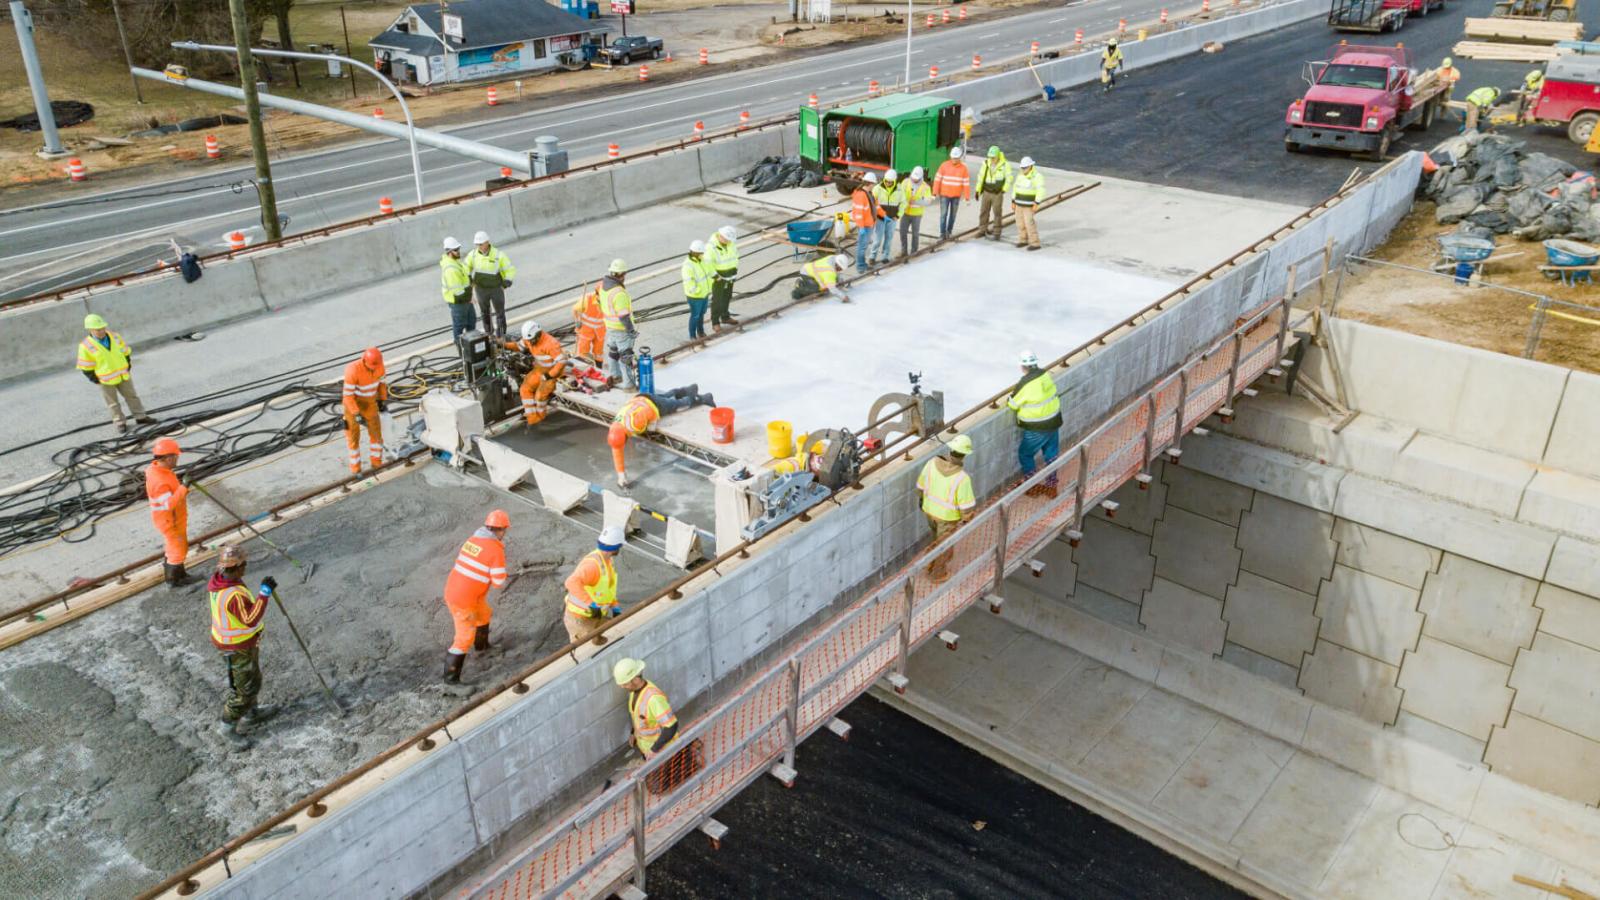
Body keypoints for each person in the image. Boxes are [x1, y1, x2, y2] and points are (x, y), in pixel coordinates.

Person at [208, 543, 277, 750]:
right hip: (237, 647)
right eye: (243, 564)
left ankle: (251, 712)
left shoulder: (221, 582)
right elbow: (250, 618)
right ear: (235, 567)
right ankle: (226, 728)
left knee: (253, 679)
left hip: (239, 643)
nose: (245, 568)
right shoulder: (233, 594)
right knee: (244, 690)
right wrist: (264, 594)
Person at [442, 510, 511, 687]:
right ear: (501, 530)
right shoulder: (495, 550)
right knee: (464, 637)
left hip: (461, 591)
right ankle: (450, 682)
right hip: (463, 600)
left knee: (484, 613)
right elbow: (498, 582)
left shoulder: (472, 540)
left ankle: (482, 648)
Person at [609, 387, 714, 488]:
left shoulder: (633, 424)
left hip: (654, 405)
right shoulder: (615, 428)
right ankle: (687, 390)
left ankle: (704, 398)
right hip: (641, 398)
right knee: (666, 397)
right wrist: (621, 475)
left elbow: (649, 412)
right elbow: (617, 451)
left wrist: (651, 424)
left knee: (679, 405)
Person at [77, 314, 154, 434]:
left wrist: (127, 364)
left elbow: (125, 351)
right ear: (90, 329)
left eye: (103, 327)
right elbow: (85, 366)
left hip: (123, 375)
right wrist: (95, 379)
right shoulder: (85, 346)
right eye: (98, 329)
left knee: (132, 396)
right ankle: (120, 422)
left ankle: (141, 417)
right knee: (112, 403)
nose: (102, 331)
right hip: (104, 380)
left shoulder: (115, 337)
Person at [917, 435, 976, 584]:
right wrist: (967, 518)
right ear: (965, 455)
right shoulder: (962, 478)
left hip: (929, 511)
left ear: (950, 449)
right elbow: (966, 505)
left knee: (935, 539)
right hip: (947, 518)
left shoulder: (931, 464)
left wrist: (922, 501)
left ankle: (930, 564)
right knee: (945, 546)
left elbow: (920, 486)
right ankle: (938, 574)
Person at [1008, 350, 1063, 498]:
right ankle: (1052, 487)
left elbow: (1012, 404)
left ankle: (1032, 486)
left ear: (1022, 366)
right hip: (1054, 421)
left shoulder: (1025, 383)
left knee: (1025, 454)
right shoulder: (1045, 375)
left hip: (1037, 428)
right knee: (1051, 455)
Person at [563, 525, 626, 644]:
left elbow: (607, 589)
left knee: (610, 638)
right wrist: (591, 604)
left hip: (595, 615)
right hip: (580, 619)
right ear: (616, 546)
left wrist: (615, 607)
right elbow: (571, 582)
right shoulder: (593, 566)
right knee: (587, 651)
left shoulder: (607, 561)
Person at [146, 437, 193, 587]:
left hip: (172, 519)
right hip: (170, 521)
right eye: (176, 457)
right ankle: (173, 581)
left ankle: (181, 576)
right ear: (167, 458)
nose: (177, 459)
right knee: (177, 551)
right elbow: (169, 504)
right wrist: (184, 487)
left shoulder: (160, 470)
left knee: (175, 549)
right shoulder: (159, 481)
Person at [613, 657, 679, 761]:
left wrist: (654, 750)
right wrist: (633, 733)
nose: (622, 686)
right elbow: (638, 717)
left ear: (635, 679)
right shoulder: (634, 693)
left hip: (664, 753)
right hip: (649, 752)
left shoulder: (653, 699)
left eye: (625, 683)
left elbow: (671, 727)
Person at [504, 321, 565, 425]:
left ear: (538, 335)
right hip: (539, 370)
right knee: (525, 389)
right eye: (528, 340)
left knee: (539, 396)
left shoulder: (551, 343)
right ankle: (532, 418)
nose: (529, 343)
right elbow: (518, 346)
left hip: (552, 374)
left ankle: (540, 418)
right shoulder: (529, 340)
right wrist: (503, 345)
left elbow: (562, 362)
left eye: (531, 340)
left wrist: (549, 375)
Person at [342, 347, 388, 474]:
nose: (374, 368)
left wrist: (382, 400)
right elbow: (347, 396)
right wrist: (356, 413)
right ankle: (356, 470)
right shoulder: (352, 370)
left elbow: (382, 384)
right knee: (353, 437)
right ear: (364, 361)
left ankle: (377, 463)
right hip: (353, 404)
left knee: (376, 434)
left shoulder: (380, 366)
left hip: (370, 403)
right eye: (372, 366)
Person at [465, 230, 516, 335]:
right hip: (480, 289)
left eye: (481, 244)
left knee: (499, 313)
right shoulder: (473, 255)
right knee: (485, 313)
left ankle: (501, 335)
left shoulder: (498, 255)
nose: (479, 246)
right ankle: (489, 333)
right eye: (477, 244)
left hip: (496, 288)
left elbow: (510, 269)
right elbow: (465, 268)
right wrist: (470, 280)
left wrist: (505, 284)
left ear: (487, 242)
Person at [599, 259, 638, 390]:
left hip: (610, 326)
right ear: (621, 274)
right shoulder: (618, 293)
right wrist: (631, 330)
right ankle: (629, 385)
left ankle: (615, 376)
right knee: (626, 356)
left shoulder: (603, 287)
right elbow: (623, 315)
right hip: (621, 329)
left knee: (613, 352)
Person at [439, 236, 475, 340]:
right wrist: (469, 297)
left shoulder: (456, 262)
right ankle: (462, 350)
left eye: (458, 249)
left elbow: (465, 275)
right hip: (458, 302)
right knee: (459, 326)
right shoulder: (450, 269)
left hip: (466, 299)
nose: (458, 251)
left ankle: (471, 345)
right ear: (449, 252)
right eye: (455, 250)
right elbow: (458, 292)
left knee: (471, 323)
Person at [706, 225, 741, 332]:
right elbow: (707, 264)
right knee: (717, 300)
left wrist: (734, 271)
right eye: (727, 239)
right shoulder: (710, 247)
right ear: (721, 236)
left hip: (730, 275)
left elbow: (735, 257)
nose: (729, 241)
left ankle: (725, 317)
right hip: (718, 277)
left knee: (727, 296)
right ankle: (715, 322)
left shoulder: (731, 244)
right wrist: (715, 276)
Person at [933, 147, 971, 241]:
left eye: (956, 158)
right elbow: (937, 180)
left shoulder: (963, 169)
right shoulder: (944, 166)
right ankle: (942, 233)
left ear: (959, 158)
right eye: (953, 158)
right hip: (944, 195)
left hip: (956, 196)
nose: (954, 160)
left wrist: (967, 198)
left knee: (953, 215)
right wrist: (934, 193)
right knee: (943, 214)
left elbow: (966, 184)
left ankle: (949, 231)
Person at [975, 147, 1012, 241]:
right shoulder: (986, 163)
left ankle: (997, 232)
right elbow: (981, 177)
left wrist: (1004, 189)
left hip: (997, 193)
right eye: (990, 157)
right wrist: (977, 190)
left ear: (998, 156)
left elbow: (1009, 178)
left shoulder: (1005, 165)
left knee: (997, 213)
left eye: (993, 157)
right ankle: (982, 230)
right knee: (984, 211)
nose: (991, 159)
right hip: (987, 192)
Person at [681, 240, 716, 340]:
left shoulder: (702, 260)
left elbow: (709, 269)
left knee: (701, 314)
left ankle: (701, 332)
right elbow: (689, 283)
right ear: (696, 253)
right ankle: (692, 336)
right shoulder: (688, 265)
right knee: (695, 316)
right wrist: (698, 290)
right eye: (701, 253)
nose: (703, 254)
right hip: (695, 297)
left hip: (704, 294)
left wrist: (715, 276)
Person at [1011, 156, 1045, 251]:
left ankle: (1035, 243)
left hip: (1029, 206)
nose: (1023, 169)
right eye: (1022, 167)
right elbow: (1015, 188)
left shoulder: (1037, 177)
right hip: (1018, 204)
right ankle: (1023, 240)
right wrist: (1013, 201)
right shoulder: (1020, 176)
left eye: (1025, 167)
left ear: (1031, 166)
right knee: (1020, 223)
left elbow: (1040, 190)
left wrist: (1036, 203)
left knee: (1029, 223)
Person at [851, 172, 882, 274]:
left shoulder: (869, 194)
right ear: (870, 183)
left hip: (869, 224)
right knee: (862, 247)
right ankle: (860, 267)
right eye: (874, 184)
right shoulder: (861, 195)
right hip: (865, 226)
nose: (874, 186)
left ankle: (863, 264)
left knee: (864, 246)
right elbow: (859, 213)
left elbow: (875, 207)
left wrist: (884, 215)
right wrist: (861, 227)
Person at [899, 166, 934, 256]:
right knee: (903, 232)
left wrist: (916, 201)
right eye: (913, 177)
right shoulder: (905, 182)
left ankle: (914, 251)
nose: (914, 179)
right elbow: (900, 194)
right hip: (905, 212)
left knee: (915, 234)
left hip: (917, 214)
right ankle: (904, 251)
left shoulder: (926, 187)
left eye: (916, 178)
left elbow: (928, 202)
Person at [570, 281, 606, 367]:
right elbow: (575, 309)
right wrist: (577, 320)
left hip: (599, 332)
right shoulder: (587, 300)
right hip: (586, 332)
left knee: (599, 352)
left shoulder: (608, 302)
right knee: (583, 352)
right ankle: (583, 369)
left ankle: (599, 368)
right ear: (597, 294)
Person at [871, 168, 901, 264]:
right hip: (880, 219)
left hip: (892, 219)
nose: (888, 183)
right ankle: (872, 256)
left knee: (888, 238)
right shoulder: (877, 188)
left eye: (890, 182)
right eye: (886, 181)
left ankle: (885, 256)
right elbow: (872, 203)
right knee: (877, 239)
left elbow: (904, 203)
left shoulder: (900, 190)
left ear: (894, 181)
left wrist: (898, 215)